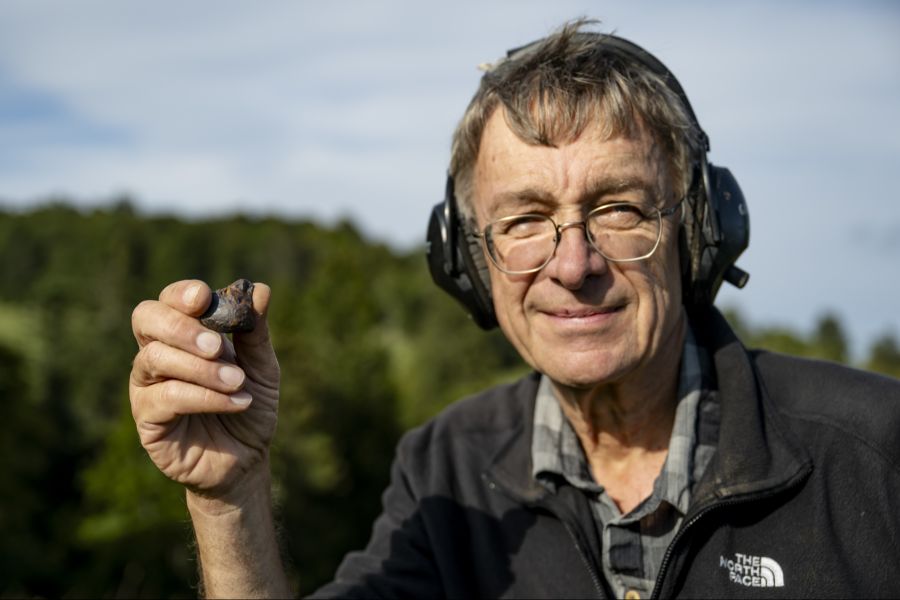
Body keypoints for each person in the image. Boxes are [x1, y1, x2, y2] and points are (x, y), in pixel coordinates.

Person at [129, 20, 900, 599]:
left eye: (621, 209)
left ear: (698, 234)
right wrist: (228, 498)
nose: (573, 265)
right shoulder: (445, 470)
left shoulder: (876, 454)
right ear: (468, 263)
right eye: (525, 220)